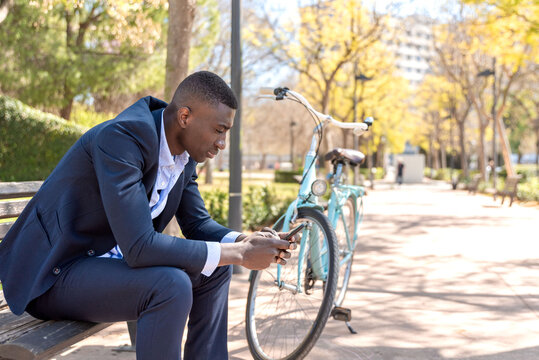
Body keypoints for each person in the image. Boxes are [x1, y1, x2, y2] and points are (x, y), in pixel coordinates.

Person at [0, 71, 295, 359]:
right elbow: (140, 247)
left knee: (216, 268)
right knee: (170, 286)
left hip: (107, 267)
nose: (222, 143)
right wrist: (240, 253)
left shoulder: (184, 154)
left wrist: (246, 240)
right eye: (219, 130)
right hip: (54, 274)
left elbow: (197, 223)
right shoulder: (121, 139)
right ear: (184, 117)